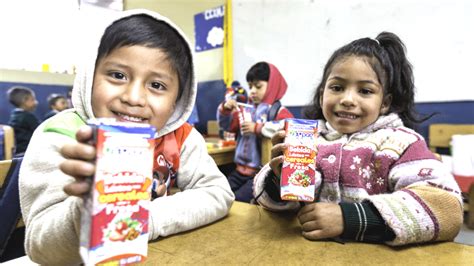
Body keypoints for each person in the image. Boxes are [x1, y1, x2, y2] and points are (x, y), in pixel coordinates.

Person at [19, 9, 234, 264]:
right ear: (90, 75)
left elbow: (219, 193)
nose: (133, 98)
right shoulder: (62, 135)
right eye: (118, 75)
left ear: (177, 99)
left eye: (157, 85)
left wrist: (143, 220)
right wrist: (87, 211)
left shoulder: (182, 137)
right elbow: (42, 250)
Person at [253, 32, 463, 245]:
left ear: (384, 102)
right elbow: (271, 207)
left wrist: (350, 218)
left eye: (365, 90)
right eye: (337, 87)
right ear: (321, 94)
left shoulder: (402, 143)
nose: (347, 99)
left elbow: (447, 209)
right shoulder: (308, 141)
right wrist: (277, 181)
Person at [217, 62, 294, 203]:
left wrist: (257, 128)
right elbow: (227, 126)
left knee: (238, 201)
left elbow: (289, 129)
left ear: (272, 86)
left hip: (260, 174)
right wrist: (225, 109)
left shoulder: (277, 111)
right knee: (219, 194)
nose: (252, 91)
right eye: (250, 86)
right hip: (238, 170)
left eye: (258, 86)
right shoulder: (246, 109)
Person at [6, 86, 40, 154]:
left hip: (18, 150)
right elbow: (40, 130)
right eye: (33, 100)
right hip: (27, 151)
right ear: (24, 101)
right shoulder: (28, 117)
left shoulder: (15, 115)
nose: (36, 102)